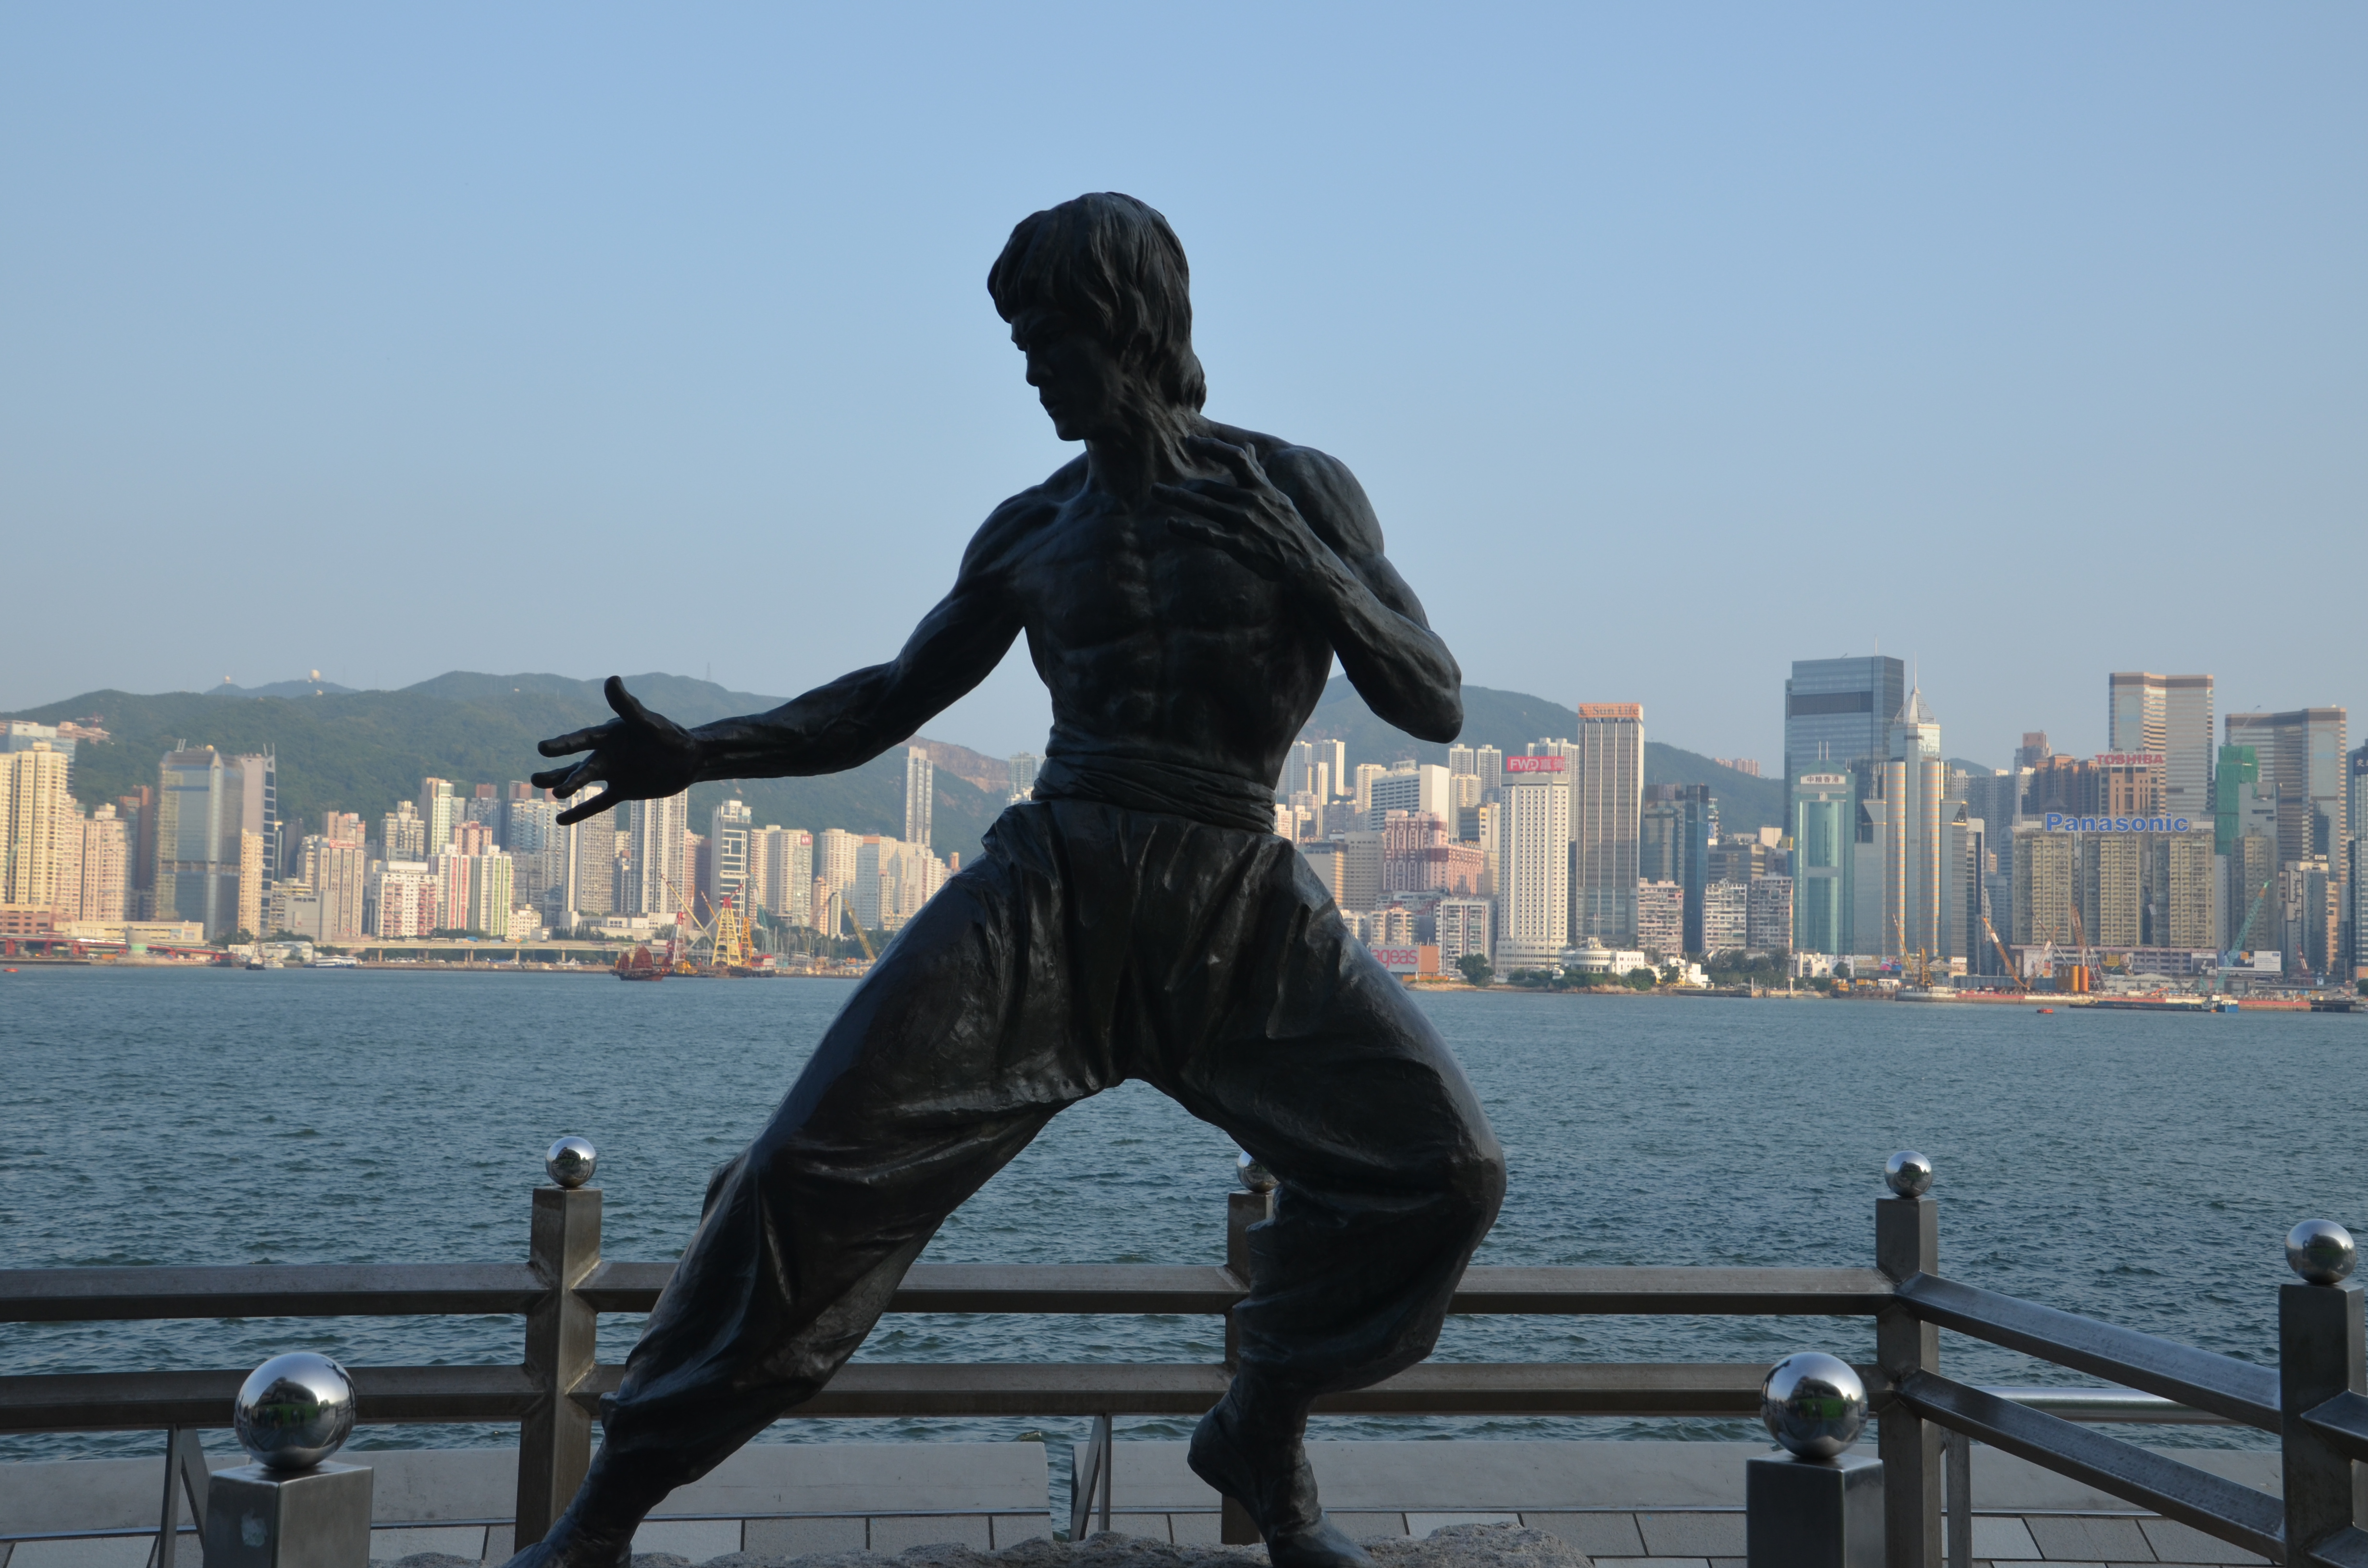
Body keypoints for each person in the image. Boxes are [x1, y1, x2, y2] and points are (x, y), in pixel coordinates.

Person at [517, 192, 1505, 1568]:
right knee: (803, 1182)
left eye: (1049, 335)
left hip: (1235, 897)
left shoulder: (1298, 487)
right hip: (1053, 891)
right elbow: (887, 701)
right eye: (1020, 338)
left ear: (1130, 327)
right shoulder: (1032, 530)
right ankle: (602, 1519)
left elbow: (1436, 701)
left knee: (1442, 1176)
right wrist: (703, 751)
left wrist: (1307, 566)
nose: (1029, 366)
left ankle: (1263, 1427)